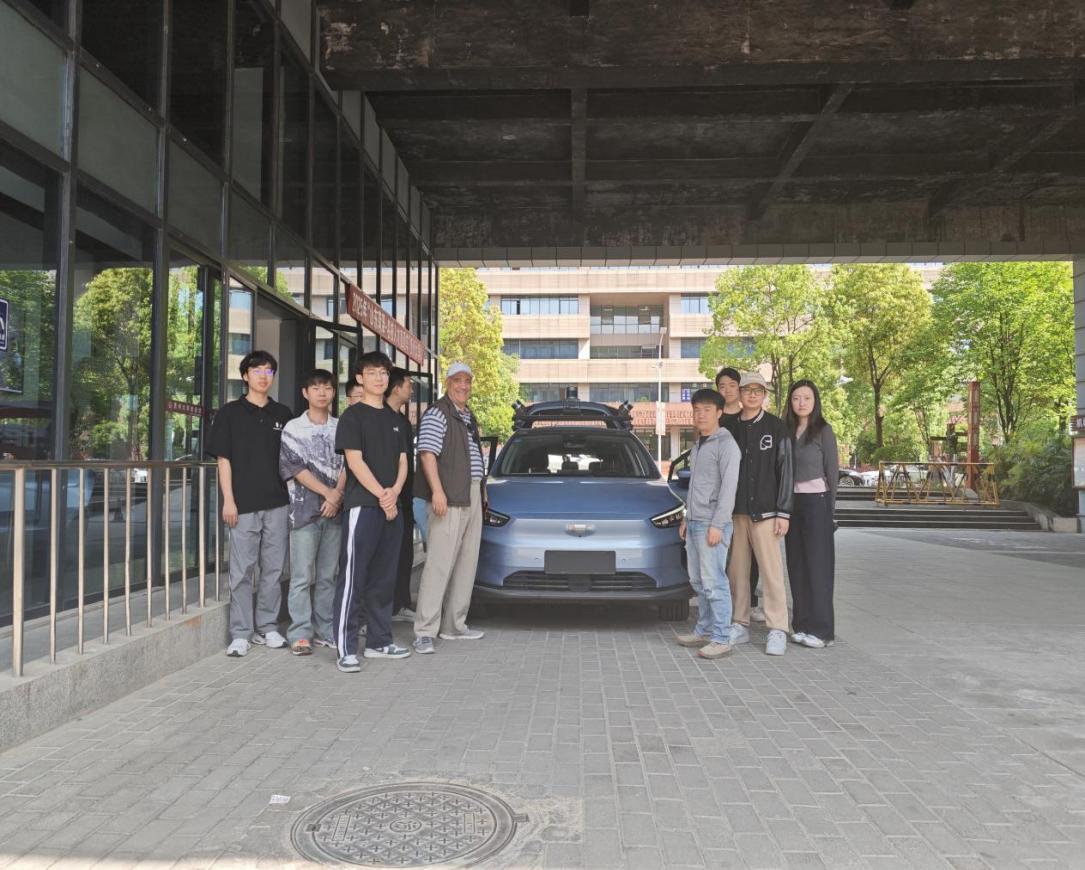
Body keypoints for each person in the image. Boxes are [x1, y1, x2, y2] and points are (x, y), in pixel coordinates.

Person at [207, 350, 294, 657]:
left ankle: (268, 627)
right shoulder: (229, 413)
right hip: (242, 504)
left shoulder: (283, 414)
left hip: (277, 503)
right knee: (242, 571)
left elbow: (293, 461)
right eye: (257, 370)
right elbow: (224, 460)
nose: (263, 376)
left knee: (273, 569)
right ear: (245, 376)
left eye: (268, 371)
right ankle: (241, 633)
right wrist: (228, 500)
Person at [332, 351, 411, 673]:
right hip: (363, 506)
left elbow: (404, 462)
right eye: (372, 373)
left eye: (384, 373)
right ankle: (346, 648)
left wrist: (394, 493)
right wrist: (382, 495)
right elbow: (354, 462)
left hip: (392, 508)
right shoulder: (352, 417)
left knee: (384, 578)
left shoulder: (396, 420)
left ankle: (379, 641)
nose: (379, 378)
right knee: (353, 577)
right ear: (360, 378)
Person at [412, 362, 486, 653]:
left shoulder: (467, 415)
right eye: (458, 380)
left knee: (466, 563)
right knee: (439, 565)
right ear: (447, 383)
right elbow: (427, 454)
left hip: (471, 493)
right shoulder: (437, 413)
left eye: (467, 381)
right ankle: (424, 631)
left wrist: (482, 491)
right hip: (448, 495)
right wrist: (437, 491)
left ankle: (454, 626)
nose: (463, 386)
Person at [279, 369, 347, 656]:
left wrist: (336, 496)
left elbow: (348, 464)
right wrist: (327, 493)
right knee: (302, 576)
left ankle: (325, 629)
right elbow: (293, 467)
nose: (322, 393)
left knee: (328, 575)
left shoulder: (341, 426)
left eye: (327, 388)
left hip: (335, 512)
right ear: (305, 393)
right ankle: (300, 633)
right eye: (316, 387)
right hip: (304, 511)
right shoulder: (293, 428)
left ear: (333, 392)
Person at [726, 372, 794, 656]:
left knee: (771, 572)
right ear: (740, 394)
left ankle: (777, 627)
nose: (752, 395)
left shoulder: (776, 427)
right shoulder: (728, 426)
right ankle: (739, 622)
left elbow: (786, 470)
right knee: (737, 571)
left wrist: (784, 512)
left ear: (765, 395)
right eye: (747, 390)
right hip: (735, 511)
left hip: (767, 512)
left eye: (758, 390)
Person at [675, 389, 741, 660]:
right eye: (697, 410)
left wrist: (718, 524)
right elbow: (696, 486)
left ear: (719, 412)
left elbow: (729, 488)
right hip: (694, 521)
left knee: (714, 582)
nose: (700, 415)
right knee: (698, 581)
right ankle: (703, 630)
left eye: (707, 410)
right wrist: (686, 516)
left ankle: (722, 638)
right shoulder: (699, 444)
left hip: (712, 523)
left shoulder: (726, 444)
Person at [783, 380, 838, 649]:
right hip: (792, 504)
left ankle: (823, 631)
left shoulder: (823, 431)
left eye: (807, 398)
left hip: (817, 502)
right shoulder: (787, 431)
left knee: (818, 567)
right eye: (796, 398)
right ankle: (802, 624)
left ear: (815, 401)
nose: (801, 403)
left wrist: (830, 512)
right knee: (797, 565)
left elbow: (832, 473)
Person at [716, 365, 764, 623]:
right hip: (723, 494)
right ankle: (728, 602)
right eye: (722, 386)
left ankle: (750, 601)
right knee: (728, 552)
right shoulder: (716, 418)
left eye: (732, 386)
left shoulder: (748, 418)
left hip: (748, 493)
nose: (727, 391)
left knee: (750, 552)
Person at [385, 367, 417, 623]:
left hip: (404, 500)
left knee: (405, 553)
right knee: (384, 558)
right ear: (396, 388)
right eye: (408, 384)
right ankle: (381, 609)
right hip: (383, 500)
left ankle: (401, 603)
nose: (412, 389)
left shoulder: (403, 421)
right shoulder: (379, 417)